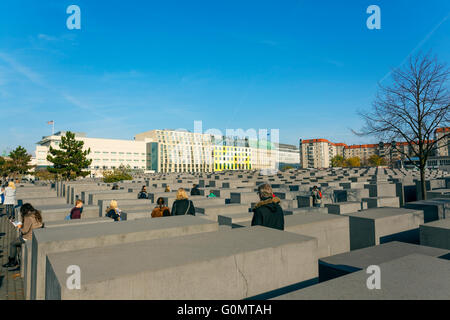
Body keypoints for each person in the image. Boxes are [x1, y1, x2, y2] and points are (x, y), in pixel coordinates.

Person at [3, 203, 43, 268]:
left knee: (12, 244)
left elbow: (24, 231)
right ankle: (17, 260)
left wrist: (18, 226)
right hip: (36, 235)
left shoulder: (28, 217)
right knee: (17, 243)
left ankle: (12, 261)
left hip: (29, 237)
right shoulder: (36, 213)